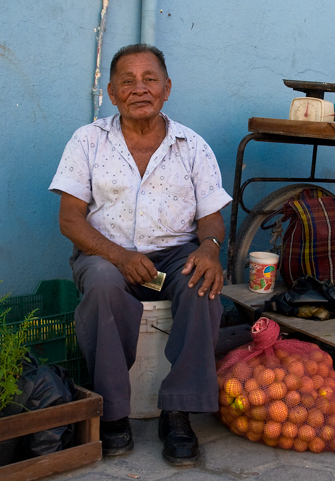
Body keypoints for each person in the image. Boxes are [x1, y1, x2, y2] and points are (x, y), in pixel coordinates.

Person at [48, 44, 232, 466]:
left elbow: (211, 218)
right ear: (112, 93)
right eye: (127, 81)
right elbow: (71, 221)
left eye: (150, 79)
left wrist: (210, 248)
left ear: (166, 89)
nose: (139, 88)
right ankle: (113, 416)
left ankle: (178, 412)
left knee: (200, 283)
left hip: (171, 256)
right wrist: (118, 256)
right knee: (102, 285)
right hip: (104, 254)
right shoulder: (88, 141)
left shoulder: (193, 146)